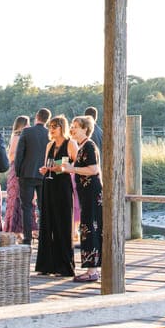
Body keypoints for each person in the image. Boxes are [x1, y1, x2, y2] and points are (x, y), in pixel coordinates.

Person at [34, 116, 75, 278]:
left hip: (63, 186)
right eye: (50, 126)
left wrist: (62, 168)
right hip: (49, 184)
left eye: (55, 126)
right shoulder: (49, 145)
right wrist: (45, 169)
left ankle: (64, 266)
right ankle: (45, 265)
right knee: (47, 223)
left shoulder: (70, 144)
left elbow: (76, 166)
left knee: (62, 224)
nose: (51, 129)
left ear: (62, 128)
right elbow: (47, 164)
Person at [64, 116, 101, 283]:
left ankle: (92, 270)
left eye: (76, 127)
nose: (72, 129)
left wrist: (73, 168)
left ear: (85, 129)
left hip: (91, 194)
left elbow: (94, 169)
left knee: (90, 228)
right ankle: (91, 268)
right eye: (72, 126)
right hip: (86, 194)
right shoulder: (82, 147)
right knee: (87, 228)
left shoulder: (89, 146)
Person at [11, 109, 50, 244]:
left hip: (27, 174)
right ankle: (44, 236)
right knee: (43, 206)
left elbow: (19, 155)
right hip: (44, 174)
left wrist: (18, 172)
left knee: (26, 207)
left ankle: (27, 238)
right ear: (47, 120)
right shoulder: (49, 134)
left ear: (36, 117)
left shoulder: (27, 132)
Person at [2, 116, 31, 237]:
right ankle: (14, 230)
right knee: (15, 199)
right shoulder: (16, 137)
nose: (29, 126)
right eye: (28, 123)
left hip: (24, 170)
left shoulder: (25, 137)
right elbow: (11, 156)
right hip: (16, 169)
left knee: (21, 199)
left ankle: (20, 230)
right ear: (22, 125)